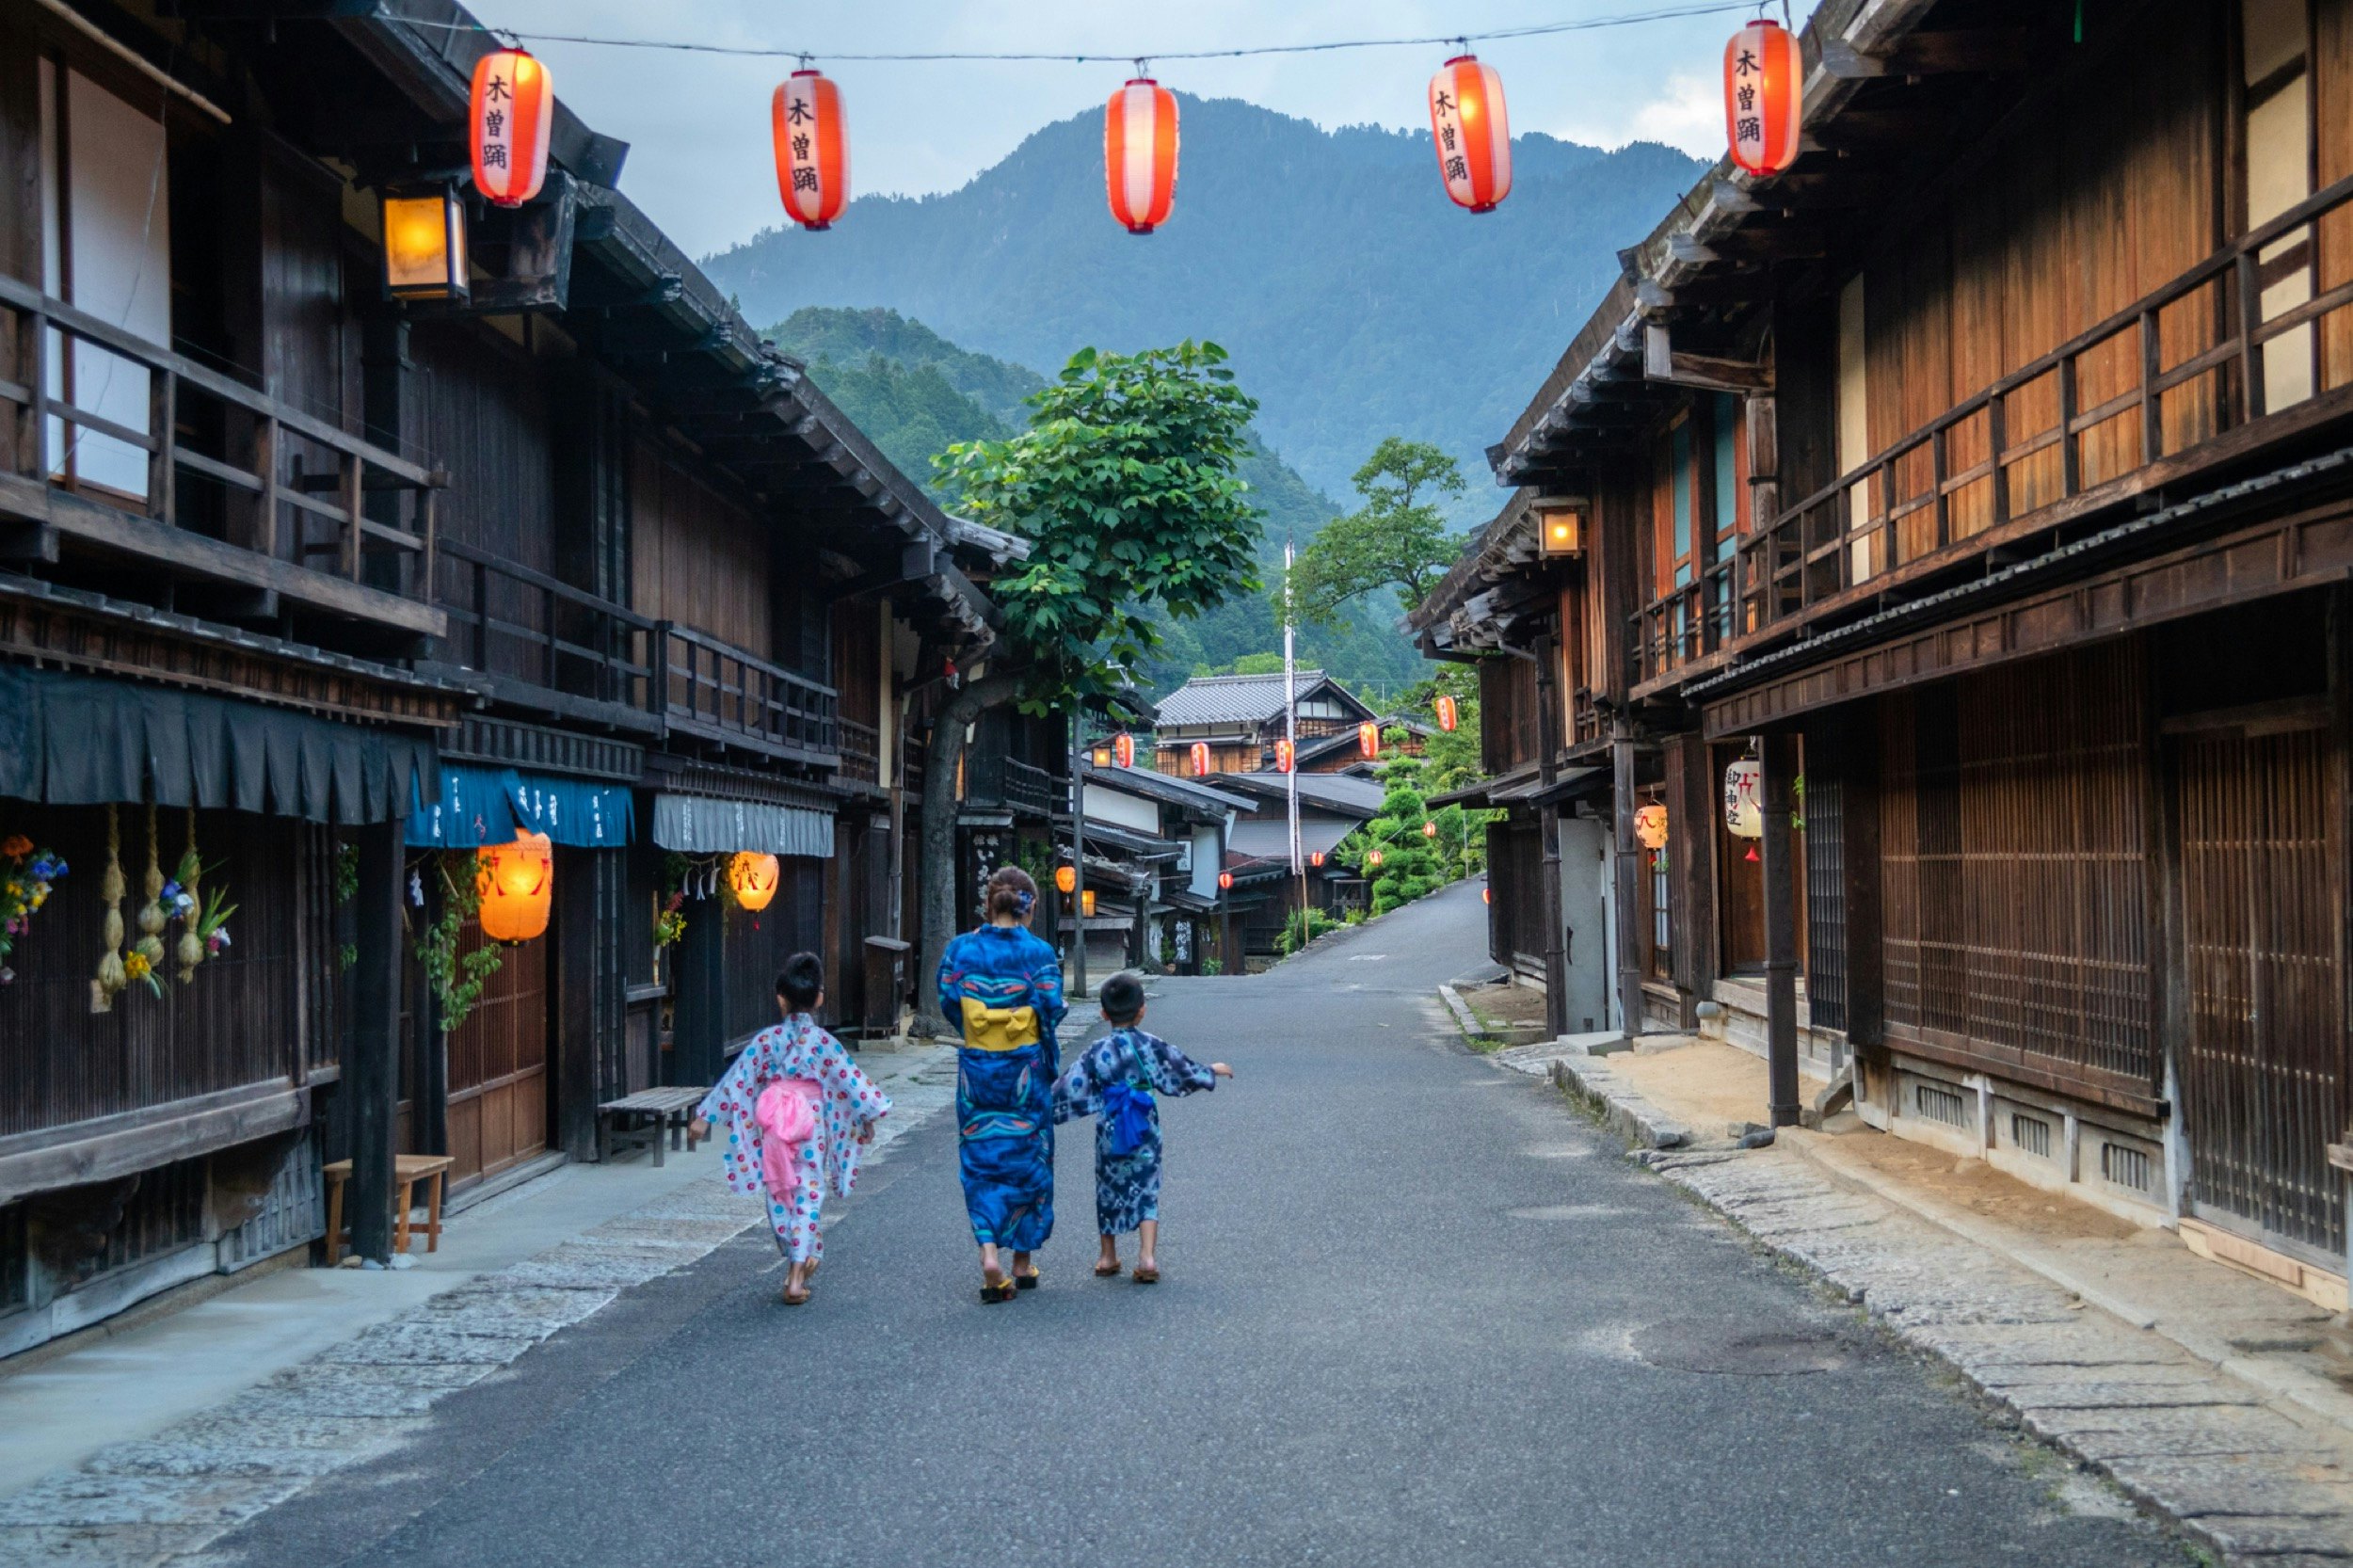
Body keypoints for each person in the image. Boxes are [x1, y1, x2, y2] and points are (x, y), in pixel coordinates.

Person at [689, 952, 890, 1306]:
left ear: (780, 998)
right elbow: (850, 1082)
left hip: (775, 1123)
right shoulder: (824, 1043)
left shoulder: (767, 1041)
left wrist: (704, 1116)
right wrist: (865, 1118)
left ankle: (797, 1256)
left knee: (779, 1189)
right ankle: (798, 1272)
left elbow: (738, 1078)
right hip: (810, 1125)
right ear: (819, 999)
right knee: (809, 1192)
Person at [936, 865, 1066, 1304]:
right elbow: (1051, 1005)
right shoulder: (1039, 952)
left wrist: (978, 1027)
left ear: (988, 904)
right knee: (1028, 1156)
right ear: (1029, 906)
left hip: (978, 1068)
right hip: (1024, 1069)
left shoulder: (960, 949)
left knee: (981, 1157)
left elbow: (948, 998)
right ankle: (1021, 1263)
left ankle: (989, 1252)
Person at [1052, 970, 1230, 1284]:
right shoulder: (1150, 1045)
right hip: (1145, 1127)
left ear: (1103, 1013)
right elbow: (1178, 1069)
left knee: (1108, 1187)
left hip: (1110, 1129)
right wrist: (1208, 1071)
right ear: (1142, 1010)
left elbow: (1071, 1085)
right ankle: (1147, 1257)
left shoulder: (1097, 1051)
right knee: (1147, 1188)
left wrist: (1038, 1109)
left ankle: (1107, 1255)